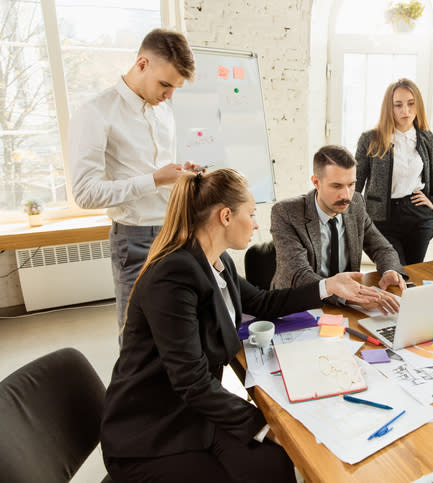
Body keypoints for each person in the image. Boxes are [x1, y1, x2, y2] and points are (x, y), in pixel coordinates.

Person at [100, 169, 379, 482]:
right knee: (270, 456)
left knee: (273, 464)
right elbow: (191, 380)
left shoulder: (216, 261)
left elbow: (261, 303)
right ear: (225, 216)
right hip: (153, 430)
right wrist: (264, 424)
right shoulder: (174, 276)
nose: (257, 223)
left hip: (192, 413)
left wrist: (327, 286)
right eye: (251, 213)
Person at [68, 28, 199, 338]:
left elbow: (159, 171)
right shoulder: (96, 113)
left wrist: (179, 175)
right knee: (136, 336)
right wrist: (154, 180)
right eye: (165, 84)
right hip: (134, 240)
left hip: (177, 231)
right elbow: (85, 194)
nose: (169, 96)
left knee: (179, 328)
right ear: (142, 64)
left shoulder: (164, 111)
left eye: (175, 88)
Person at [270, 145, 407, 313]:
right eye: (336, 186)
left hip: (344, 306)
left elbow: (381, 247)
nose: (346, 195)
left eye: (351, 184)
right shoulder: (286, 212)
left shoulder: (356, 204)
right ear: (316, 182)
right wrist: (350, 297)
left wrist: (389, 270)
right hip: (299, 304)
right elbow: (299, 275)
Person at [355, 78, 433, 265]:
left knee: (412, 273)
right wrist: (354, 217)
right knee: (394, 271)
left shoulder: (427, 139)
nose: (405, 110)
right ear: (389, 107)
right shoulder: (370, 139)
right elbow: (356, 183)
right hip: (382, 219)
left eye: (411, 104)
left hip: (418, 218)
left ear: (418, 105)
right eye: (398, 105)